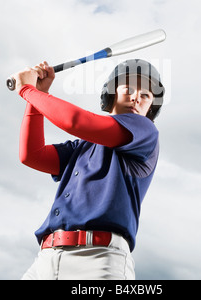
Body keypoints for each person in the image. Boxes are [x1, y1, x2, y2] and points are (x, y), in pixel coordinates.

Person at [13, 58, 165, 280]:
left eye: (146, 95)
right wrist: (36, 96)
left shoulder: (145, 132)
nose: (135, 97)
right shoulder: (82, 146)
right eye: (129, 88)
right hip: (46, 258)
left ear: (151, 106)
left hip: (99, 259)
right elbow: (31, 155)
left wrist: (28, 90)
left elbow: (76, 121)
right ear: (112, 92)